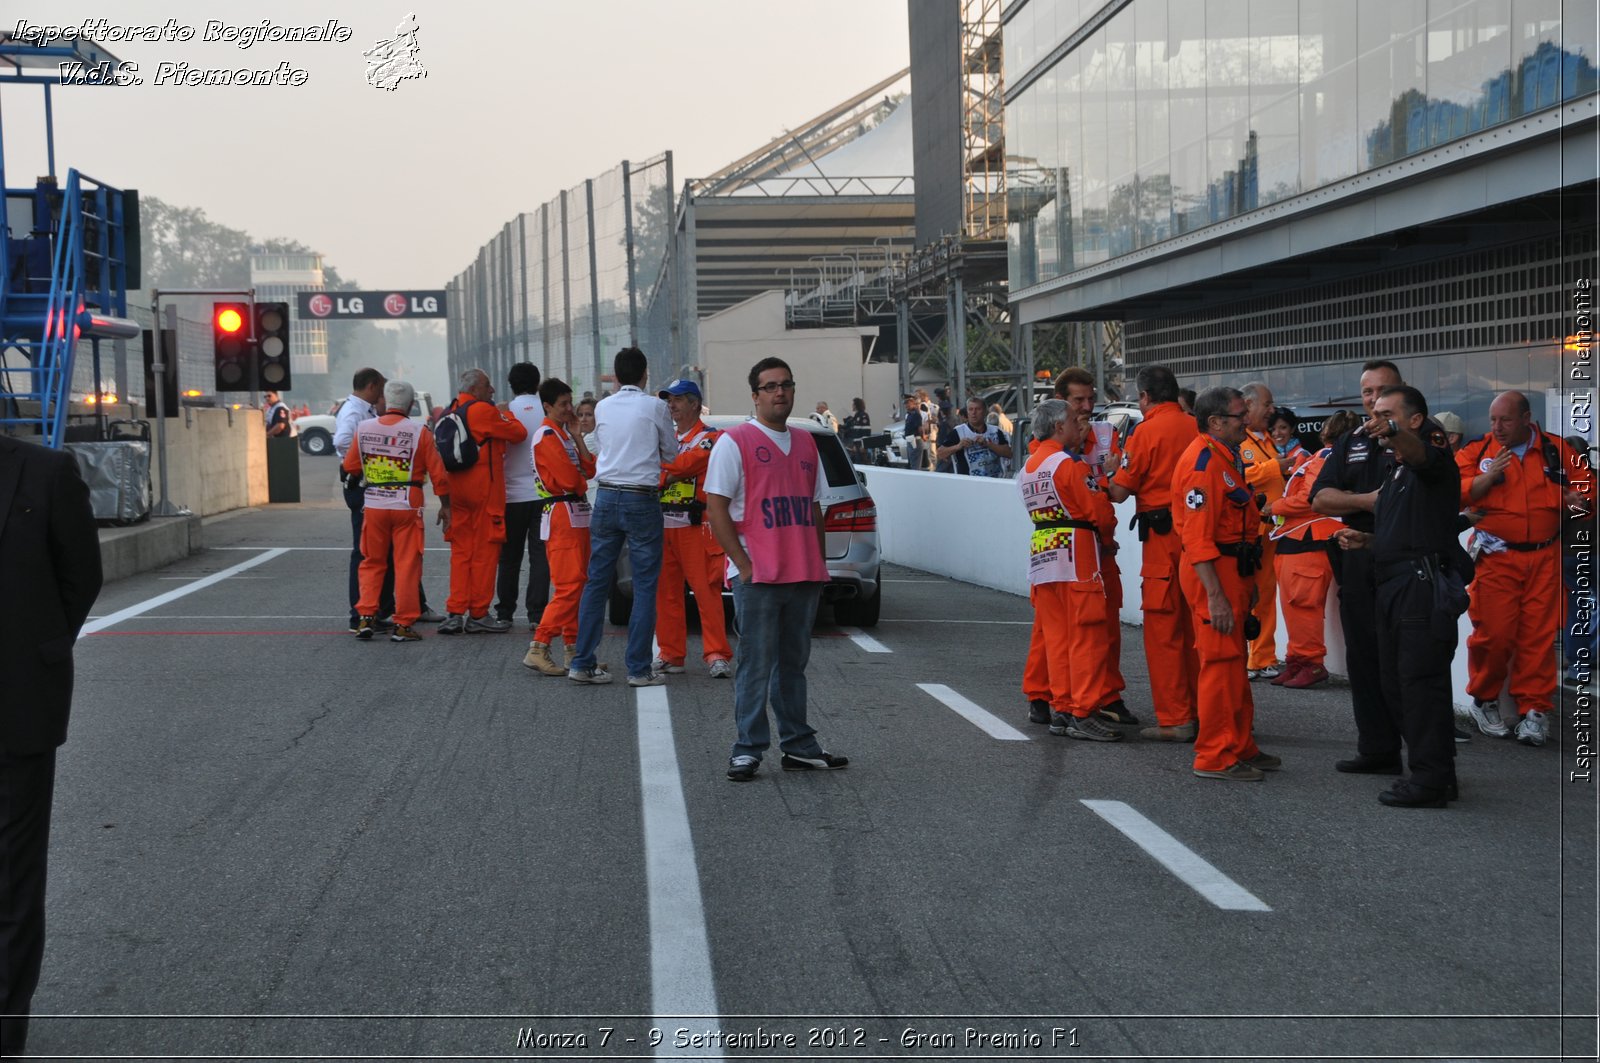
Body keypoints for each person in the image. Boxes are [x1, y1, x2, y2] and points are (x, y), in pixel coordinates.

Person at [0, 435, 102, 1058]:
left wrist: (32, 647)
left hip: (17, 701)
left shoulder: (45, 471)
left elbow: (80, 577)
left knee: (12, 877)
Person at [707, 357, 848, 781]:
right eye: (769, 386)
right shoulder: (735, 442)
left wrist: (819, 564)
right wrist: (744, 565)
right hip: (759, 578)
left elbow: (814, 507)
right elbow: (716, 509)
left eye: (785, 385)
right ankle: (747, 748)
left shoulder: (806, 443)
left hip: (802, 574)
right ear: (755, 396)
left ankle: (798, 745)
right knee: (755, 664)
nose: (779, 392)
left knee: (793, 665)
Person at [1331, 385, 1468, 807]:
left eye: (1388, 413)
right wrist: (1368, 540)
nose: (1375, 416)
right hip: (1393, 584)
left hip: (1419, 589)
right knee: (1396, 685)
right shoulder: (1397, 471)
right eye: (1375, 411)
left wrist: (1391, 431)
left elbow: (1421, 454)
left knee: (1419, 685)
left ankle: (1430, 781)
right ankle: (1435, 771)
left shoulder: (1433, 459)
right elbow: (1406, 530)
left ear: (1414, 421)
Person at [1456, 391, 1592, 745]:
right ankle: (1484, 699)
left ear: (1527, 418)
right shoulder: (1478, 451)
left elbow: (1588, 493)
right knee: (1493, 636)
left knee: (1539, 638)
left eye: (1506, 420)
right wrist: (1483, 481)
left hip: (1545, 557)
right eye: (1492, 420)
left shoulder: (1558, 450)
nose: (1497, 427)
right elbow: (1453, 492)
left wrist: (1577, 503)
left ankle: (1535, 710)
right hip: (1497, 558)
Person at [1172, 386, 1280, 781]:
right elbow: (1197, 539)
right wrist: (1216, 597)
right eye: (1239, 416)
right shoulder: (1203, 464)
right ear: (1215, 422)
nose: (1247, 422)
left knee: (1233, 663)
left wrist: (1245, 584)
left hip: (1232, 572)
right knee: (1219, 664)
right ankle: (1214, 755)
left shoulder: (1223, 457)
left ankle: (1238, 744)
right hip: (1213, 576)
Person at [1312, 360, 1411, 773]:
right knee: (1363, 657)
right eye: (1367, 392)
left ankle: (1427, 759)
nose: (1373, 400)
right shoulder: (1348, 441)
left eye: (1382, 391)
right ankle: (1377, 749)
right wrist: (1366, 501)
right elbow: (1319, 498)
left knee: (1407, 661)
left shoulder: (1420, 437)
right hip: (1357, 557)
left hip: (1406, 560)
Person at [567, 347, 678, 686]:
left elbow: (598, 443)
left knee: (597, 581)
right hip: (641, 498)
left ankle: (582, 662)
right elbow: (671, 453)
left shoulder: (603, 406)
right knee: (644, 585)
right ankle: (639, 669)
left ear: (615, 377)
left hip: (607, 495)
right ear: (645, 374)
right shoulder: (656, 406)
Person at [1106, 365, 1201, 741]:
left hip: (1162, 543)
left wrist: (1110, 471)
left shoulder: (1145, 432)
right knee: (1200, 630)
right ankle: (1205, 710)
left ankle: (1176, 718)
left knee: (1164, 631)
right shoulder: (1197, 427)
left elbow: (1119, 492)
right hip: (1199, 538)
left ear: (1145, 397)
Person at [1019, 398, 1123, 742]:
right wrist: (1107, 541)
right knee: (1087, 636)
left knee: (1057, 638)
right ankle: (1083, 711)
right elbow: (1100, 513)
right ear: (1058, 427)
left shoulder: (1030, 466)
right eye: (1072, 422)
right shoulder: (1069, 464)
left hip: (1042, 552)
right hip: (1077, 554)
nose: (1079, 427)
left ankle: (1062, 709)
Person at [1048, 367, 1134, 725]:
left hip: (1101, 546)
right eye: (1077, 400)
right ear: (1060, 404)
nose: (1086, 406)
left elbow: (1115, 491)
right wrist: (1080, 453)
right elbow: (1066, 487)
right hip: (1062, 546)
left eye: (1090, 398)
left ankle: (1107, 696)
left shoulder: (1107, 432)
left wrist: (1103, 478)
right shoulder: (1048, 436)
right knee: (1059, 634)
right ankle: (1054, 700)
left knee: (1107, 626)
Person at [341, 380, 452, 642]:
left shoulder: (363, 428)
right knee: (406, 565)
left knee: (371, 562)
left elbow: (350, 466)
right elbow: (439, 475)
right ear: (411, 405)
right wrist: (446, 506)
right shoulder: (419, 431)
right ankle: (403, 624)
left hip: (375, 505)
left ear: (385, 401)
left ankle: (366, 617)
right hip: (406, 505)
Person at [1267, 411, 1359, 689]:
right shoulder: (1327, 458)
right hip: (1299, 538)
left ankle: (1310, 663)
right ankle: (1297, 660)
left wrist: (1274, 506)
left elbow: (1309, 499)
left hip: (1308, 539)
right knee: (1294, 605)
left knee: (1302, 605)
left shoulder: (1326, 459)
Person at [653, 379, 733, 678]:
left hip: (695, 526)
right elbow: (664, 469)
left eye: (678, 399)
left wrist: (664, 473)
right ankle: (671, 654)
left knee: (706, 591)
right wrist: (666, 475)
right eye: (668, 400)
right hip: (663, 524)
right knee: (666, 593)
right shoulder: (666, 438)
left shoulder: (712, 437)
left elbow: (687, 464)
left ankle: (716, 654)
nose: (671, 405)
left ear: (695, 404)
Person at [438, 368, 528, 634]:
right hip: (484, 493)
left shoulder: (449, 412)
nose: (492, 391)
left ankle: (455, 611)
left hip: (457, 492)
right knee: (486, 554)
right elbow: (518, 433)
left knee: (461, 553)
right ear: (476, 388)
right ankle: (478, 613)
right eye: (488, 386)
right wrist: (506, 413)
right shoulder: (482, 411)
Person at [523, 377, 596, 675]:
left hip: (575, 510)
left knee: (579, 582)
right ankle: (538, 646)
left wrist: (578, 436)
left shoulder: (564, 436)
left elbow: (590, 468)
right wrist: (579, 478)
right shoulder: (546, 436)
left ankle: (573, 649)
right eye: (564, 405)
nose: (570, 410)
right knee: (570, 584)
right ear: (547, 406)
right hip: (562, 510)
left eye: (571, 403)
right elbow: (571, 480)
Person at [1239, 382, 1290, 680]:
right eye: (1267, 404)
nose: (1272, 410)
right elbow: (1239, 474)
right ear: (1248, 406)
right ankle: (1251, 657)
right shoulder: (1239, 441)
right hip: (1253, 530)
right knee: (1251, 595)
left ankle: (1262, 657)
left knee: (1266, 593)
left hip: (1273, 530)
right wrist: (1276, 467)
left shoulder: (1266, 440)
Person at [494, 363, 550, 630]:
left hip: (511, 493)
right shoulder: (546, 409)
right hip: (543, 491)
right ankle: (537, 613)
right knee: (540, 555)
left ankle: (505, 612)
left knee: (509, 556)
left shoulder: (505, 412)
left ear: (511, 384)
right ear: (538, 384)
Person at [1564, 435, 1598, 686]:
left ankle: (1578, 665)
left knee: (1578, 608)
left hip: (1567, 554)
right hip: (1594, 553)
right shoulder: (1593, 478)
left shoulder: (1557, 483)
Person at [936, 396, 1012, 477]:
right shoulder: (958, 432)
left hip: (994, 481)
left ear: (985, 412)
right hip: (969, 483)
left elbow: (1009, 453)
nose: (973, 413)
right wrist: (958, 446)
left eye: (978, 409)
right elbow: (940, 453)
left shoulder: (995, 431)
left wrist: (988, 444)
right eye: (970, 409)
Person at [901, 394, 929, 471]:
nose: (906, 405)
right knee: (912, 464)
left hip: (915, 441)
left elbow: (920, 428)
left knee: (915, 466)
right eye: (905, 403)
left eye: (908, 403)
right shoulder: (909, 414)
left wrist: (923, 437)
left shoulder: (916, 414)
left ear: (913, 402)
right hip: (910, 440)